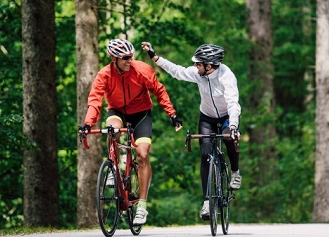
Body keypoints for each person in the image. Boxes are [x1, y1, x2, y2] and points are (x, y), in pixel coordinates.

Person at [79, 38, 183, 225]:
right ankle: (114, 165)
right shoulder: (104, 75)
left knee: (142, 154)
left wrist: (172, 114)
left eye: (131, 56)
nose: (130, 60)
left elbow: (159, 91)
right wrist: (88, 124)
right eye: (125, 57)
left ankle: (142, 206)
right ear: (114, 59)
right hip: (117, 111)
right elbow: (94, 100)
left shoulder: (142, 70)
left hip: (141, 114)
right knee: (113, 129)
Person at [141, 42, 241, 220]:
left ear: (209, 66)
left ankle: (235, 173)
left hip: (227, 117)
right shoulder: (199, 74)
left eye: (198, 64)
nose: (195, 66)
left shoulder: (227, 77)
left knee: (228, 138)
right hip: (207, 117)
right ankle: (207, 202)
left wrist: (233, 126)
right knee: (205, 154)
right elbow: (177, 71)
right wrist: (155, 58)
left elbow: (233, 103)